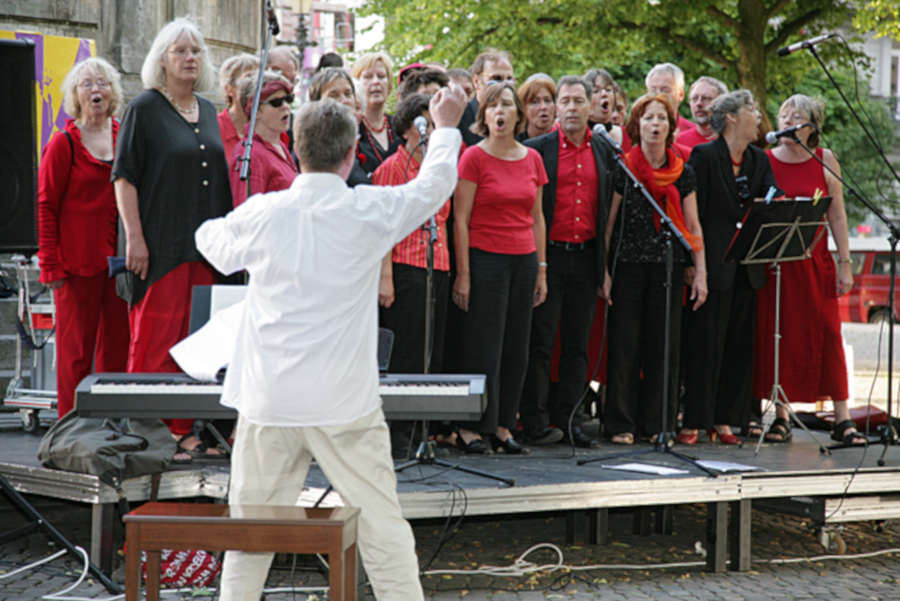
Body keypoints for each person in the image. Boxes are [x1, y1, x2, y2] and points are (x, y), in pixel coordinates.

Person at [196, 87, 468, 601]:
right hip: (343, 403)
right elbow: (433, 187)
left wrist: (243, 215)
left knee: (250, 536)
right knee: (383, 531)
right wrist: (447, 127)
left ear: (297, 151)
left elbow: (209, 240)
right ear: (350, 157)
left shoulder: (266, 211)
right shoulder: (368, 210)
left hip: (270, 399)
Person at [112, 17, 232, 460]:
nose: (189, 58)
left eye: (196, 51)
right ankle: (148, 431)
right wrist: (134, 240)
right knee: (154, 339)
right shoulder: (144, 108)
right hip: (160, 245)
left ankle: (183, 429)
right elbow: (124, 177)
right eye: (180, 51)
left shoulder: (208, 111)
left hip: (205, 248)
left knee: (194, 341)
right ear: (161, 60)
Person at [754, 95, 864, 445]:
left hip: (815, 263)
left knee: (828, 336)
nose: (786, 119)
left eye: (795, 115)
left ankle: (842, 417)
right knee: (778, 336)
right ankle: (780, 416)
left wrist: (845, 263)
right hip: (776, 265)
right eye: (783, 113)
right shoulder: (765, 159)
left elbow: (838, 215)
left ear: (812, 125)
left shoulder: (826, 160)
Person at [602, 94, 706, 445]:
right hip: (628, 267)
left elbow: (693, 225)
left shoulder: (683, 172)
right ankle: (620, 424)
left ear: (671, 127)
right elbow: (608, 225)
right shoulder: (623, 167)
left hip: (668, 267)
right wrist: (603, 271)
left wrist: (700, 271)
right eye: (649, 118)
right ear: (637, 125)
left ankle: (659, 423)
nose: (656, 124)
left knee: (664, 348)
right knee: (625, 347)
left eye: (662, 118)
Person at [453, 83, 548, 455]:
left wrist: (541, 269)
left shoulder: (533, 159)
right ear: (484, 116)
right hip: (484, 259)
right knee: (483, 346)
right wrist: (464, 274)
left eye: (507, 105)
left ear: (518, 114)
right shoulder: (473, 158)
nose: (500, 112)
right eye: (493, 106)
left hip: (523, 260)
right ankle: (472, 426)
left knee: (516, 347)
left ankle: (505, 423)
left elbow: (537, 218)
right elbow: (460, 219)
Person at [520, 76, 616, 448]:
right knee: (540, 343)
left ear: (591, 106)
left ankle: (570, 419)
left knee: (577, 346)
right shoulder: (536, 149)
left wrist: (603, 267)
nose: (572, 107)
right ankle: (536, 421)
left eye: (579, 101)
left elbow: (606, 213)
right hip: (548, 258)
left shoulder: (605, 151)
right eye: (566, 101)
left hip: (586, 257)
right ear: (556, 108)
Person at [680, 90, 779, 445]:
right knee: (705, 345)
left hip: (747, 267)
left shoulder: (758, 158)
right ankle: (694, 419)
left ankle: (724, 421)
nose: (758, 116)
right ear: (732, 118)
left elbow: (771, 196)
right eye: (751, 109)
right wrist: (695, 266)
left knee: (738, 347)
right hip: (713, 266)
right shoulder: (703, 156)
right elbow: (694, 217)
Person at [37, 57, 130, 420]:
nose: (96, 89)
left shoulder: (127, 136)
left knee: (117, 354)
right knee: (75, 356)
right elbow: (45, 207)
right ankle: (68, 432)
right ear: (75, 95)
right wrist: (50, 265)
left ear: (113, 92)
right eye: (87, 84)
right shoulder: (63, 144)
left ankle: (111, 429)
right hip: (76, 267)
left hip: (121, 265)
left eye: (103, 83)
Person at [373, 94, 451, 456]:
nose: (431, 131)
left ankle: (422, 434)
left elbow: (445, 221)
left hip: (438, 267)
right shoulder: (392, 167)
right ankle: (398, 437)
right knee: (406, 354)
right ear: (407, 128)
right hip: (404, 267)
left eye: (435, 125)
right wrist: (385, 276)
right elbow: (382, 227)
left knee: (430, 354)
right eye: (425, 124)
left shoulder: (436, 169)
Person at [228, 70, 298, 207]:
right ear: (256, 111)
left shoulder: (279, 144)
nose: (285, 106)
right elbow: (247, 213)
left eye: (288, 99)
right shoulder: (250, 153)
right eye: (276, 102)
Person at [306, 68, 369, 187]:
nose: (344, 101)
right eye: (333, 96)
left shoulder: (362, 141)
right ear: (317, 102)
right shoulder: (314, 149)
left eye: (348, 94)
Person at [351, 52, 402, 176]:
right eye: (368, 77)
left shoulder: (401, 126)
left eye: (381, 76)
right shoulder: (352, 129)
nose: (375, 82)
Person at [457, 49, 516, 147]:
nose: (504, 85)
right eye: (497, 79)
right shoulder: (459, 119)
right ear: (476, 82)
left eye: (509, 79)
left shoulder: (518, 117)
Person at [216, 53, 260, 163]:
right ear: (229, 89)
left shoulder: (270, 128)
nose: (258, 84)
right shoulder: (214, 127)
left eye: (260, 78)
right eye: (249, 78)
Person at [678, 76, 728, 151]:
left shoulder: (732, 141)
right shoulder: (678, 142)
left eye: (706, 98)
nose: (698, 103)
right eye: (694, 98)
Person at [645, 63, 694, 137]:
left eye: (665, 91)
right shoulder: (636, 131)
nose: (658, 96)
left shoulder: (693, 134)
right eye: (653, 91)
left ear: (681, 95)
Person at [584, 69, 624, 146]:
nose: (604, 94)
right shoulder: (577, 138)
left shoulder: (628, 135)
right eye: (596, 91)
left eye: (608, 90)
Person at [516, 75, 556, 141]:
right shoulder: (512, 141)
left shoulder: (562, 141)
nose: (543, 107)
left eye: (547, 100)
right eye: (535, 102)